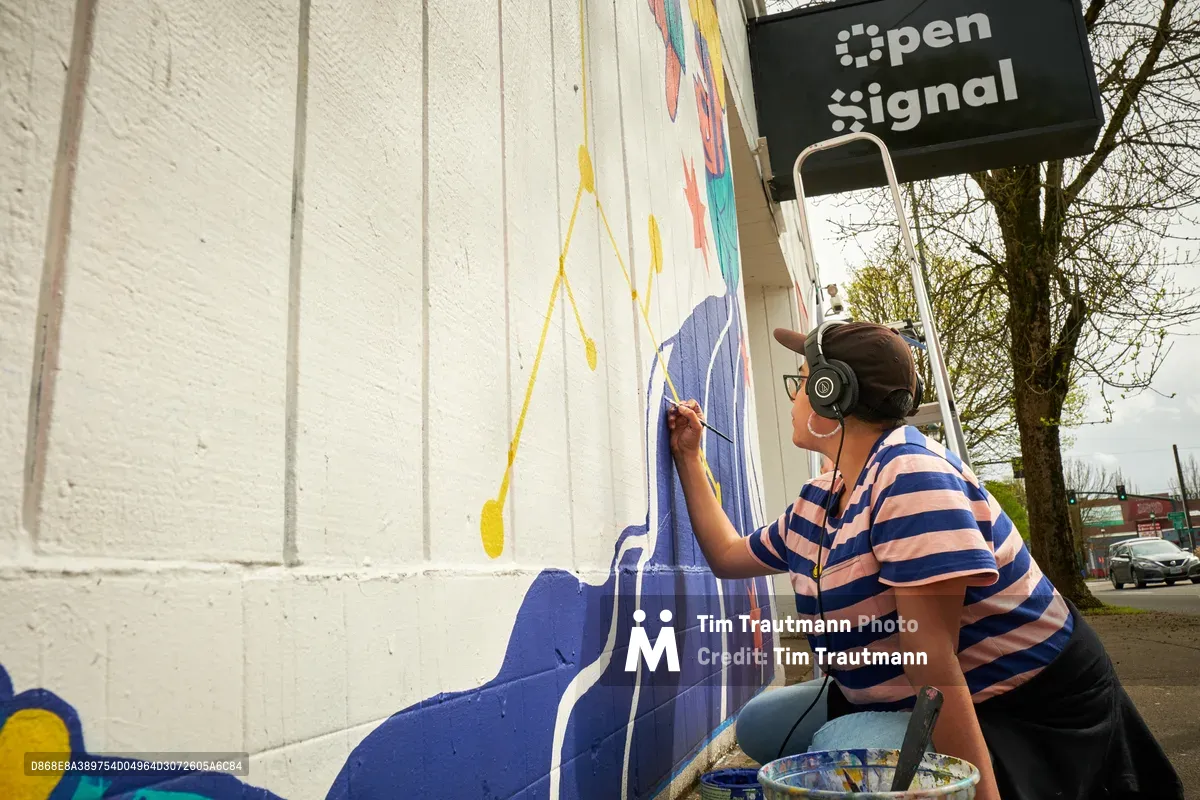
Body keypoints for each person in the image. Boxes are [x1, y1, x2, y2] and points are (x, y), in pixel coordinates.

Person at [666, 320, 1182, 800]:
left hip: (1021, 711)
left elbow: (933, 662)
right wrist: (689, 456)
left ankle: (991, 777)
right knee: (759, 724)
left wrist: (976, 795)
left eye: (801, 381)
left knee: (840, 741)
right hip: (911, 695)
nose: (795, 396)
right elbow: (729, 556)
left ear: (832, 394)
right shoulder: (821, 498)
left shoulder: (910, 476)